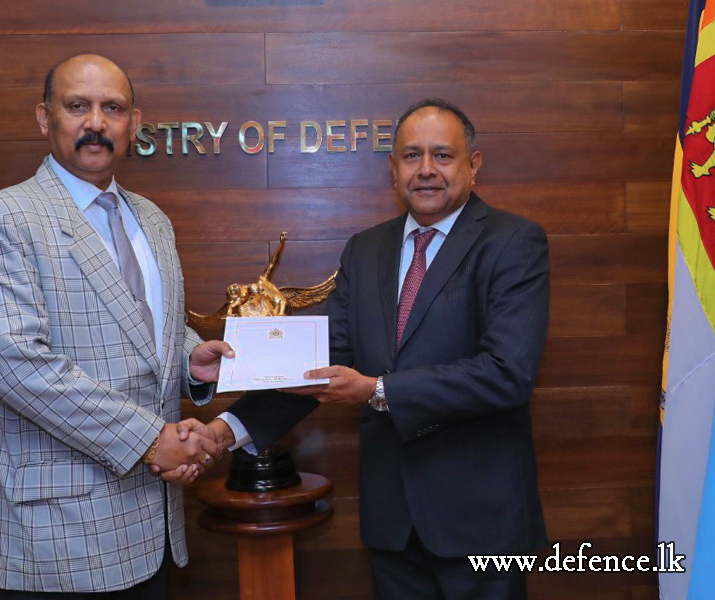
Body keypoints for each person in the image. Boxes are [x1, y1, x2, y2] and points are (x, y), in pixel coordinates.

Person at [195, 99, 550, 599]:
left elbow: (506, 373)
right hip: (392, 523)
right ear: (393, 169)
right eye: (411, 156)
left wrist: (377, 390)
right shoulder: (366, 249)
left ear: (473, 164)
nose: (425, 170)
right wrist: (223, 428)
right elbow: (319, 365)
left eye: (442, 156)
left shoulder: (513, 242)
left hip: (480, 523)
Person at [0, 53, 233, 599]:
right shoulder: (3, 217)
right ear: (44, 117)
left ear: (134, 124)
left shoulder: (151, 219)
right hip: (59, 534)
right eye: (77, 106)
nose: (95, 123)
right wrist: (151, 440)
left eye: (112, 108)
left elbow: (152, 329)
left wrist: (190, 361)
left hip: (151, 522)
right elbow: (16, 366)